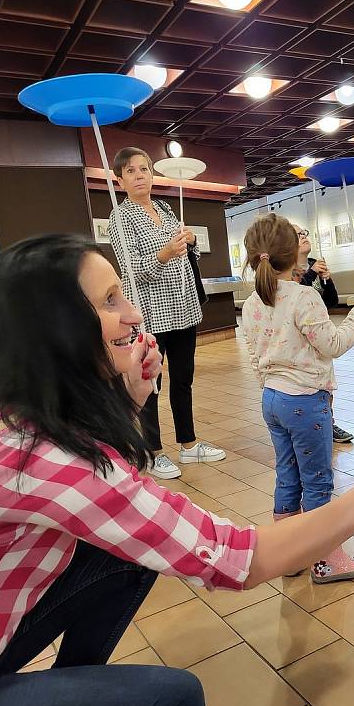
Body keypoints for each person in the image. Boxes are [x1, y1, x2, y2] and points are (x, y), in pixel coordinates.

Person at [0, 233, 354, 706]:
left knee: (128, 556)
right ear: (54, 330)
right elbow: (235, 558)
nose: (133, 313)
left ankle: (72, 702)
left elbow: (112, 503)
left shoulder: (23, 418)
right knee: (174, 705)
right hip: (307, 403)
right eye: (110, 301)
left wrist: (130, 399)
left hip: (274, 400)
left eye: (123, 294)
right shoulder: (41, 460)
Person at [241, 213, 354, 584]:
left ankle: (289, 555)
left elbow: (255, 355)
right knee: (318, 482)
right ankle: (327, 558)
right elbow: (332, 345)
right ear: (293, 255)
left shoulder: (252, 303)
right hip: (304, 400)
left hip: (272, 400)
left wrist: (271, 386)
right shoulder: (305, 296)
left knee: (287, 476)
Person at [109, 146, 225, 480]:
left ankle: (188, 445)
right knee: (150, 384)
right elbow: (132, 271)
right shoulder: (121, 217)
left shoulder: (164, 207)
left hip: (183, 308)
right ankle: (153, 452)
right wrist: (164, 253)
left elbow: (189, 256)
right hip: (151, 315)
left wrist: (189, 243)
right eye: (130, 171)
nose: (139, 175)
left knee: (184, 380)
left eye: (143, 168)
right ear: (120, 180)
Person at [292, 223, 354, 444]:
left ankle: (328, 422)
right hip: (299, 337)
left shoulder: (313, 263)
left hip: (320, 330)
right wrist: (310, 274)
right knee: (308, 384)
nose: (304, 237)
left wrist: (327, 279)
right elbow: (298, 292)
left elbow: (331, 301)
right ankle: (312, 425)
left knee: (326, 380)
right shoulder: (289, 270)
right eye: (298, 235)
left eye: (304, 233)